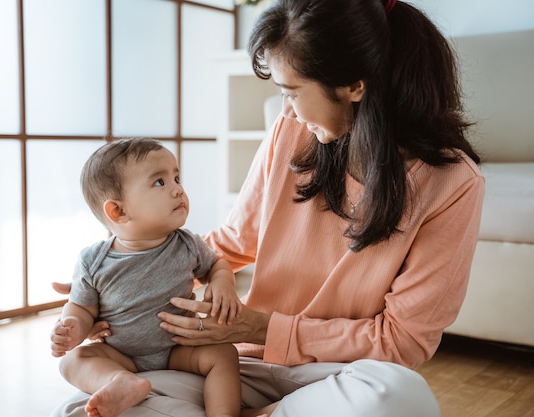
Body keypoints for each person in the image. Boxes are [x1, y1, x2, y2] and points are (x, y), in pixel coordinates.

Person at [51, 0, 485, 416]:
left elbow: (401, 341)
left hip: (337, 372)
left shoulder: (453, 184)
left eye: (292, 92)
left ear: (355, 85)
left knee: (400, 396)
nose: (287, 109)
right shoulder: (292, 131)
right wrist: (129, 276)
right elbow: (233, 242)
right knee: (75, 407)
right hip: (245, 367)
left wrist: (260, 327)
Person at [50, 138, 251, 417]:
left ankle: (224, 414)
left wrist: (222, 283)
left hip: (179, 348)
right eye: (160, 182)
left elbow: (216, 265)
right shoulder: (92, 260)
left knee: (224, 354)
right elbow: (82, 308)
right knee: (73, 361)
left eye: (177, 178)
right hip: (121, 356)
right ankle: (120, 381)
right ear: (118, 211)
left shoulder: (186, 244)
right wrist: (73, 326)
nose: (178, 189)